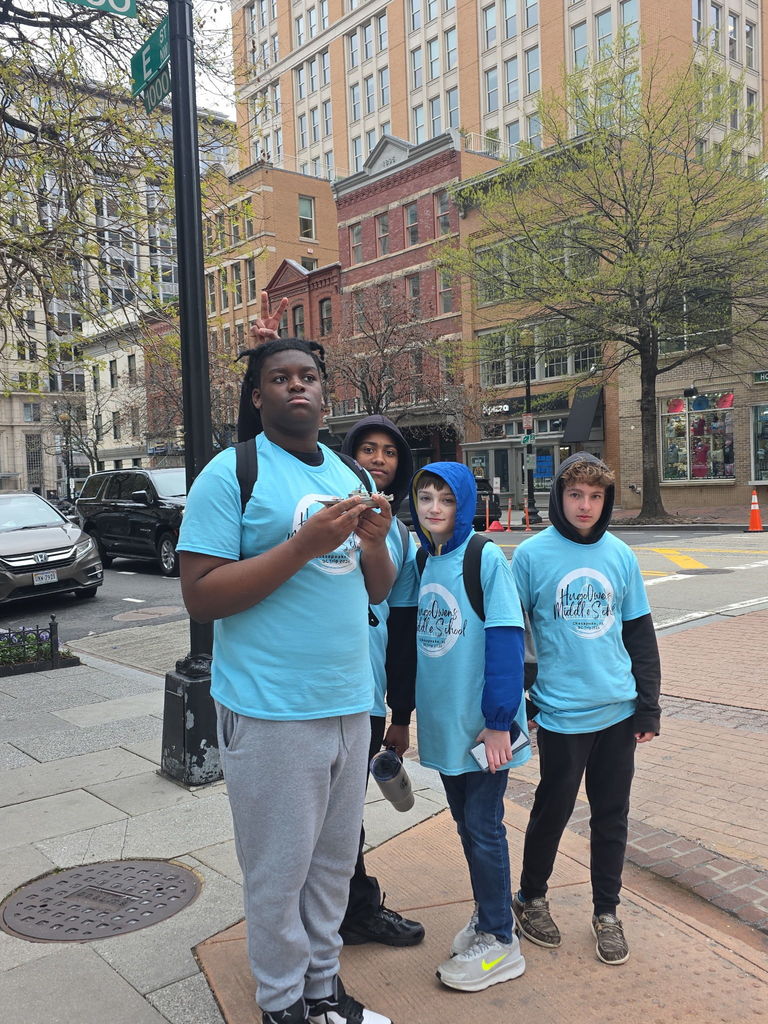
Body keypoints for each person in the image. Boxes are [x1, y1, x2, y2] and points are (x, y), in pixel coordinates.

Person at [177, 294, 395, 1024]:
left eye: (308, 375)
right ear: (257, 394)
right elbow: (202, 598)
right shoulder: (229, 474)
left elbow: (378, 587)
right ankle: (280, 1005)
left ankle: (323, 991)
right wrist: (302, 546)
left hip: (348, 704)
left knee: (334, 866)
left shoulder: (352, 474)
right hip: (270, 710)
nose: (297, 385)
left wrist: (370, 544)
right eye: (281, 377)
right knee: (279, 874)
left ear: (325, 391)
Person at [511, 453, 661, 967]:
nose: (585, 506)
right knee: (552, 810)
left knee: (612, 816)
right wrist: (521, 700)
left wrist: (648, 707)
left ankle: (607, 912)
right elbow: (515, 635)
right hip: (560, 711)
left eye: (595, 497)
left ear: (606, 501)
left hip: (617, 709)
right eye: (576, 495)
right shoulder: (530, 556)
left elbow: (639, 634)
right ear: (559, 497)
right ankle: (531, 897)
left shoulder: (620, 555)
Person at [407, 462, 530, 993]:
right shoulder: (422, 558)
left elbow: (506, 637)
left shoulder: (482, 557)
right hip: (446, 724)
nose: (434, 508)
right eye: (425, 497)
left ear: (462, 504)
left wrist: (500, 722)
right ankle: (488, 913)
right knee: (467, 827)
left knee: (484, 829)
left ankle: (501, 940)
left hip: (484, 729)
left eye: (445, 499)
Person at [337, 416, 425, 948]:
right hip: (319, 685)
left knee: (347, 814)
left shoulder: (403, 536)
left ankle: (353, 909)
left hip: (366, 695)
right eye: (367, 449)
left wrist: (400, 714)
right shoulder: (322, 511)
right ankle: (347, 908)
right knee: (327, 815)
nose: (378, 459)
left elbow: (403, 630)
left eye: (389, 452)